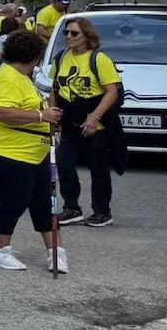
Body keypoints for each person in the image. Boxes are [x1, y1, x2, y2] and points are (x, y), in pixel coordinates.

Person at [0, 31, 67, 273]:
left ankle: (56, 252)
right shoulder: (8, 77)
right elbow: (1, 111)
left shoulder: (22, 76)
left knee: (44, 201)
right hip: (7, 151)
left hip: (32, 152)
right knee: (14, 199)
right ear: (35, 56)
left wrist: (50, 118)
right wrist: (40, 116)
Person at [50, 17, 123, 228]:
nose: (69, 37)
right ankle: (71, 207)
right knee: (64, 163)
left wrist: (95, 116)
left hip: (95, 122)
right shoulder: (61, 57)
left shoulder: (99, 59)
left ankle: (102, 211)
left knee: (98, 167)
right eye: (66, 33)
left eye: (74, 34)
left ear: (87, 36)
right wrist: (53, 113)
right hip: (70, 120)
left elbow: (112, 91)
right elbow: (55, 87)